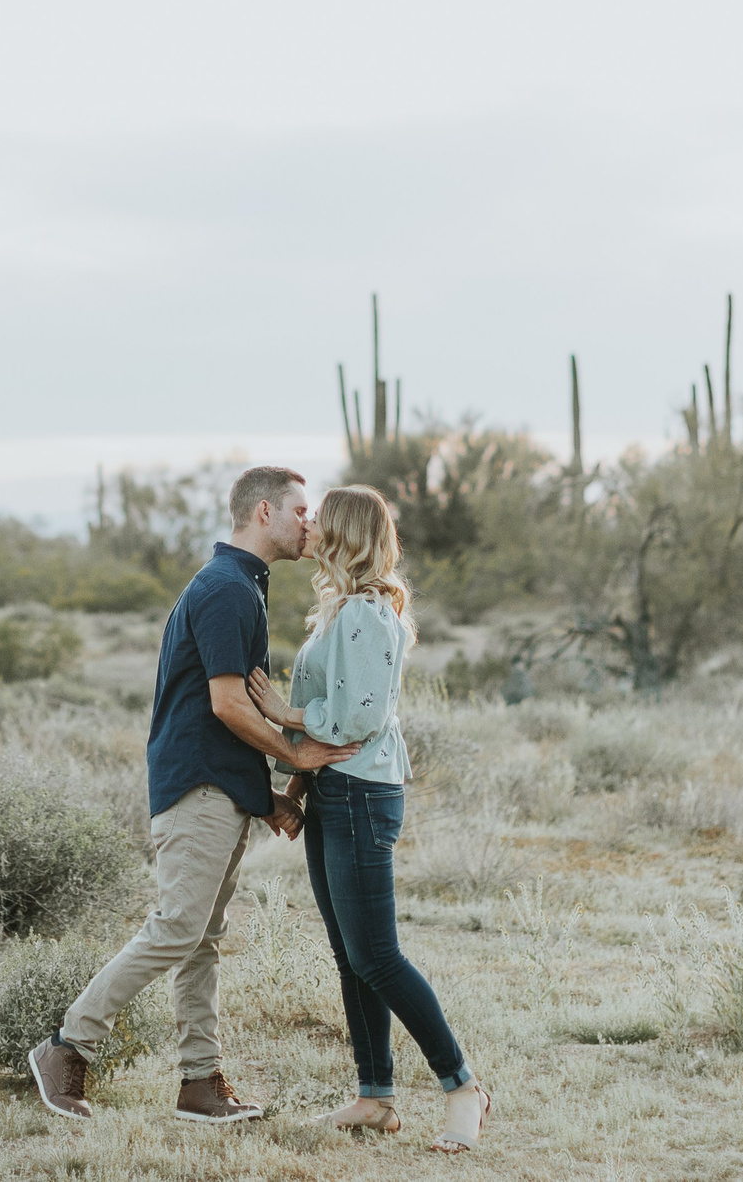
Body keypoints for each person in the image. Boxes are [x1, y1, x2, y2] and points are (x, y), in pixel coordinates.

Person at [28, 466, 360, 1124]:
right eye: (299, 510)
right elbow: (228, 704)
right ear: (263, 511)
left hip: (220, 787)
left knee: (201, 937)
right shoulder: (228, 590)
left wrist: (266, 796)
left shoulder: (239, 586)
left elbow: (221, 719)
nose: (309, 523)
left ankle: (200, 1084)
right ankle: (67, 1046)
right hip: (197, 791)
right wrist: (294, 754)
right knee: (178, 926)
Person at [249, 484, 490, 1152]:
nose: (310, 525)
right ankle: (376, 1095)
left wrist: (282, 713)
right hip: (335, 790)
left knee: (378, 955)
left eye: (320, 518)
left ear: (346, 531)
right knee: (351, 956)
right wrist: (296, 787)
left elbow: (357, 719)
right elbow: (333, 718)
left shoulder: (363, 614)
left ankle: (463, 1087)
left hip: (360, 793)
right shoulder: (341, 609)